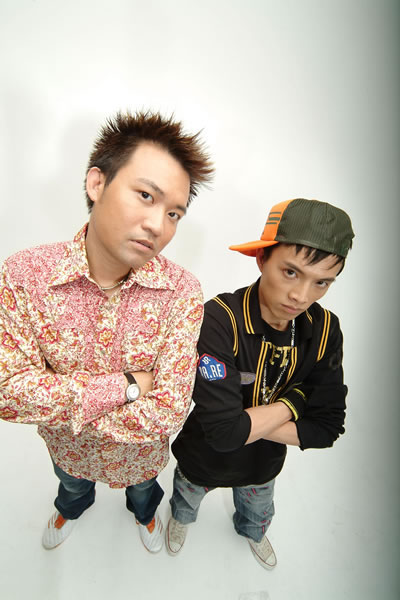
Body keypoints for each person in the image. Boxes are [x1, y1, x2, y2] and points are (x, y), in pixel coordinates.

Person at [0, 111, 213, 553]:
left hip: (140, 457)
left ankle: (145, 516)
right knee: (71, 488)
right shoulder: (24, 275)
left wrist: (57, 401)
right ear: (97, 183)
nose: (158, 225)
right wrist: (130, 386)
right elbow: (8, 393)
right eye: (145, 195)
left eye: (174, 213)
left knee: (145, 493)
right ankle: (70, 509)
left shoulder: (182, 292)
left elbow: (169, 412)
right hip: (68, 452)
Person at [165, 198, 354, 569]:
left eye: (322, 282)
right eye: (291, 272)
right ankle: (180, 521)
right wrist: (296, 401)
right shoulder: (220, 319)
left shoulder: (325, 329)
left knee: (257, 515)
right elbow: (222, 434)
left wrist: (241, 423)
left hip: (263, 466)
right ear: (262, 258)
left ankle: (252, 532)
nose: (302, 296)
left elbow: (327, 429)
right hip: (201, 455)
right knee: (185, 502)